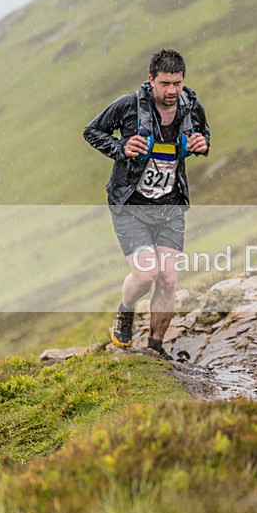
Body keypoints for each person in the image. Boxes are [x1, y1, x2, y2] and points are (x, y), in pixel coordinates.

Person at [83, 49, 210, 358]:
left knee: (168, 279)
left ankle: (155, 348)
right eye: (165, 83)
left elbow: (203, 135)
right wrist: (120, 147)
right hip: (131, 205)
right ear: (151, 80)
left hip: (170, 205)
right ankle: (125, 310)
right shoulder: (129, 105)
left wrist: (203, 144)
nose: (171, 91)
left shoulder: (191, 106)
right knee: (145, 275)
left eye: (177, 83)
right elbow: (92, 131)